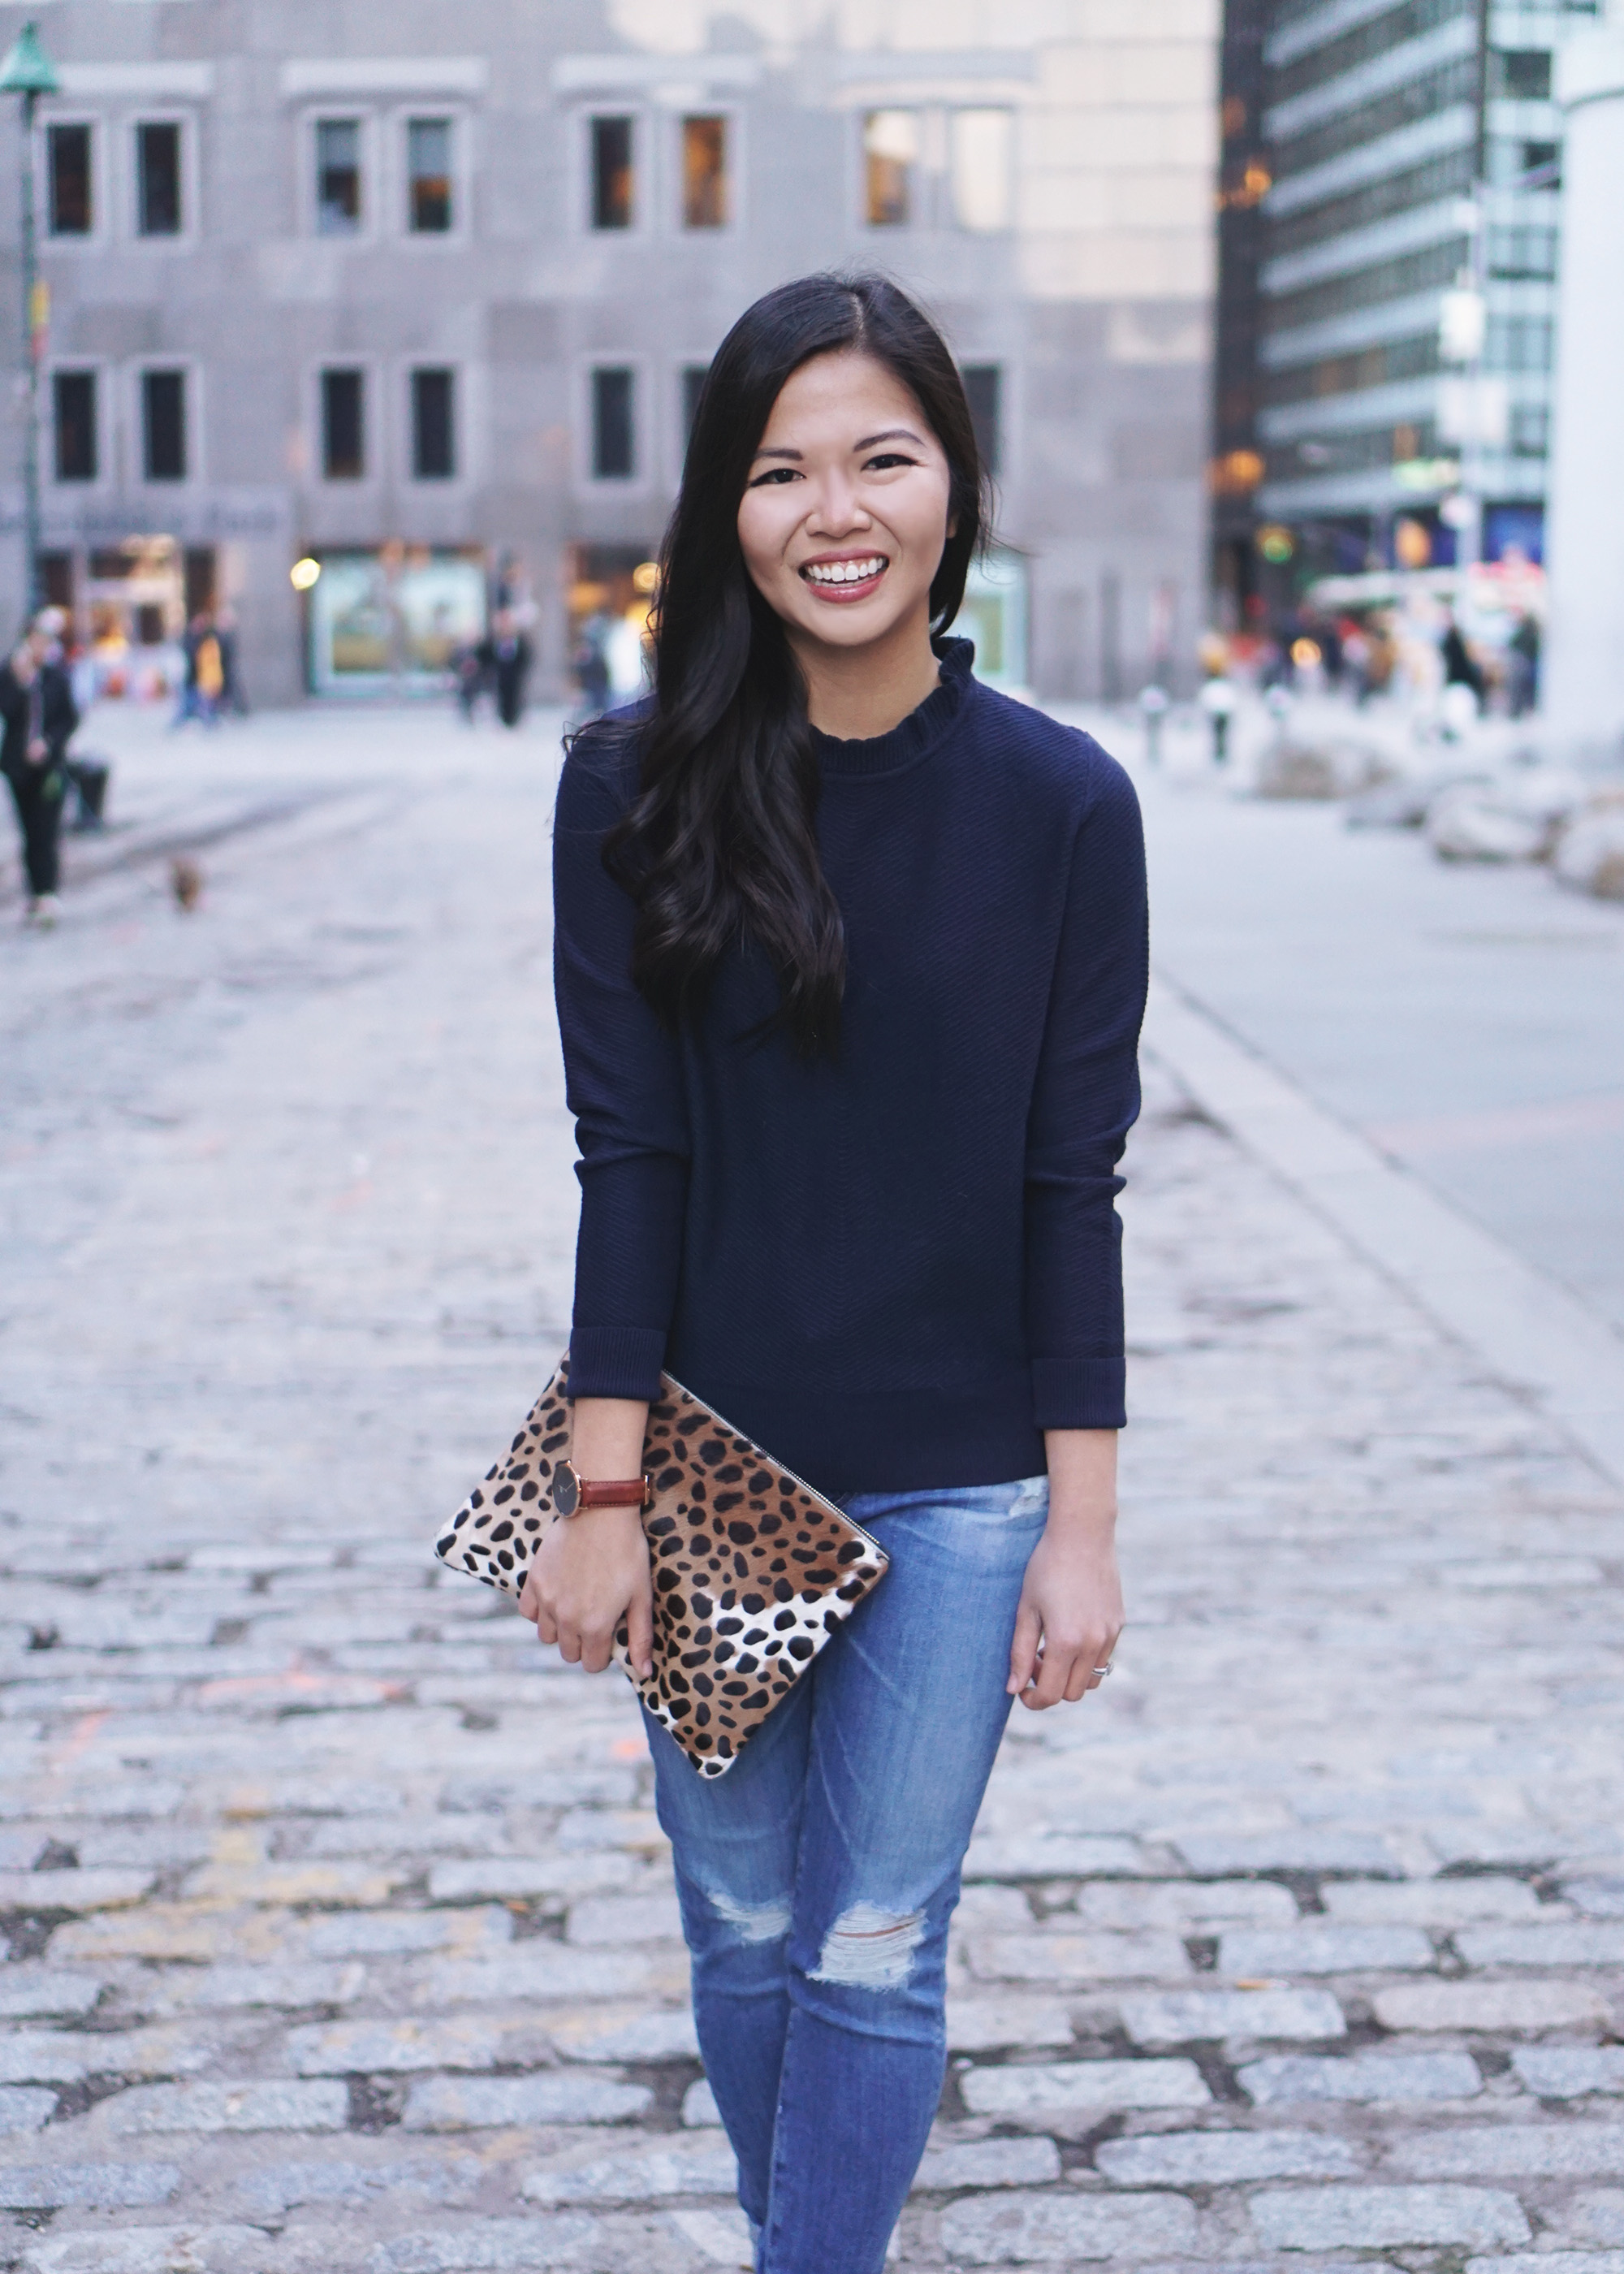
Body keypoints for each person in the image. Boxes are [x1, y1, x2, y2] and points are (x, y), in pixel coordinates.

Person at [521, 274, 1145, 2274]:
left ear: (952, 482)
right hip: (704, 1468)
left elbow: (1072, 1185)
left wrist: (1081, 1527)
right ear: (726, 510)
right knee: (741, 1933)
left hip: (960, 1489)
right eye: (780, 469)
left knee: (871, 1946)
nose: (834, 507)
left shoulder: (1062, 805)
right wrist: (596, 1494)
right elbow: (630, 1160)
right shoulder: (629, 788)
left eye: (880, 454)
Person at [2, 621, 80, 927]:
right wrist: (19, 684)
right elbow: (6, 712)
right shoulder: (10, 675)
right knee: (29, 833)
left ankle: (49, 893)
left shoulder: (56, 678)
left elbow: (69, 717)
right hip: (18, 770)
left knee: (47, 830)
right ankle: (34, 894)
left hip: (49, 769)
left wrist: (48, 744)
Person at [482, 606, 532, 728]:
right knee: (501, 696)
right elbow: (486, 655)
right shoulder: (494, 640)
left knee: (515, 696)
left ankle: (514, 720)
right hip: (500, 673)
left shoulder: (519, 640)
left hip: (514, 674)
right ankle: (503, 720)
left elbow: (525, 655)